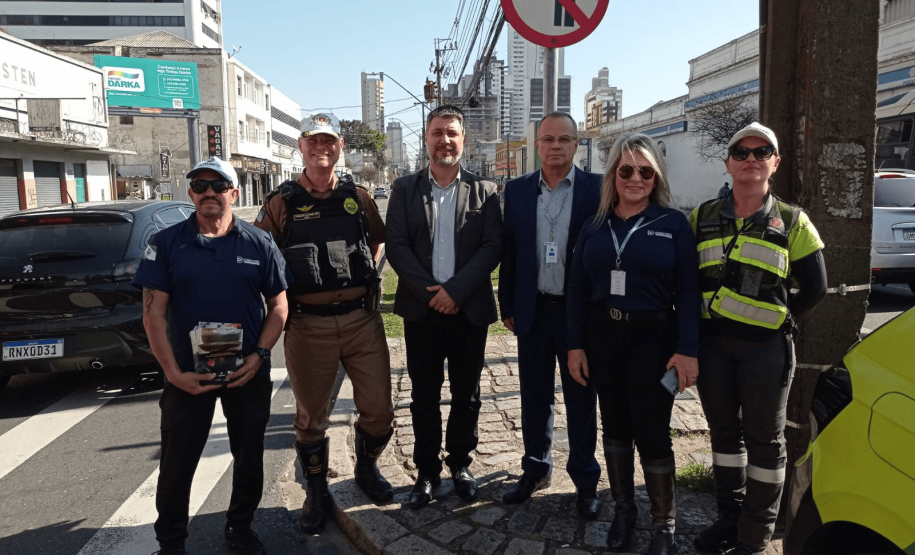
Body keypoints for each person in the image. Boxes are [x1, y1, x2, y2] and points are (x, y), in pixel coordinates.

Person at [134, 157, 289, 555]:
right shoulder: (166, 243)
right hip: (187, 375)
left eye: (218, 186)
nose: (209, 193)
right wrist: (173, 373)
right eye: (200, 186)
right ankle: (171, 543)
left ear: (233, 194)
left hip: (246, 372)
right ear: (191, 194)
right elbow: (153, 315)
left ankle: (240, 528)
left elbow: (279, 306)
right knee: (177, 462)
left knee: (249, 456)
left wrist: (259, 356)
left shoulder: (258, 242)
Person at [689, 122, 827, 555]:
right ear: (728, 163)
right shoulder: (701, 217)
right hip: (713, 347)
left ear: (775, 162)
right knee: (724, 436)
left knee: (766, 442)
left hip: (765, 351)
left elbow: (816, 287)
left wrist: (778, 319)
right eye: (742, 152)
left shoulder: (793, 220)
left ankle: (755, 536)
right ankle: (728, 521)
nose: (751, 159)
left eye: (761, 152)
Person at [253, 112, 393, 534]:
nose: (321, 148)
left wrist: (366, 273)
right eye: (313, 140)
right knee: (311, 416)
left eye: (329, 140)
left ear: (339, 147)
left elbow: (376, 239)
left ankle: (366, 469)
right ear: (300, 146)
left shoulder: (357, 196)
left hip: (361, 320)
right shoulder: (281, 202)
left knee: (379, 410)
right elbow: (261, 255)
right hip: (307, 324)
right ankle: (316, 491)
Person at [567, 133, 701, 555]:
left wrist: (688, 349)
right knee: (615, 426)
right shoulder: (594, 226)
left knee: (653, 429)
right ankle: (624, 511)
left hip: (655, 340)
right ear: (613, 175)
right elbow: (576, 290)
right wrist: (575, 345)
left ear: (656, 176)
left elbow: (689, 291)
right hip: (604, 338)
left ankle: (664, 525)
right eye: (626, 170)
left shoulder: (673, 223)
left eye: (645, 171)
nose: (635, 178)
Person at [385, 105, 502, 509]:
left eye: (452, 133)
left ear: (463, 139)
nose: (445, 140)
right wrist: (432, 293)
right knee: (424, 395)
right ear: (427, 138)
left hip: (469, 311)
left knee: (467, 394)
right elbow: (397, 246)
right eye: (437, 132)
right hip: (422, 312)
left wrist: (455, 291)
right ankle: (426, 471)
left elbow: (492, 247)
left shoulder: (485, 191)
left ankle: (460, 465)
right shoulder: (404, 189)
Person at [497, 112, 603, 518]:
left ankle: (586, 480)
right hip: (533, 311)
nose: (555, 146)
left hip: (579, 317)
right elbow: (510, 251)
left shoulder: (598, 189)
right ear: (537, 145)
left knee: (581, 399)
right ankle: (536, 468)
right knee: (534, 397)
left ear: (577, 144)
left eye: (564, 139)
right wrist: (507, 304)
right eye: (548, 139)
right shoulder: (518, 190)